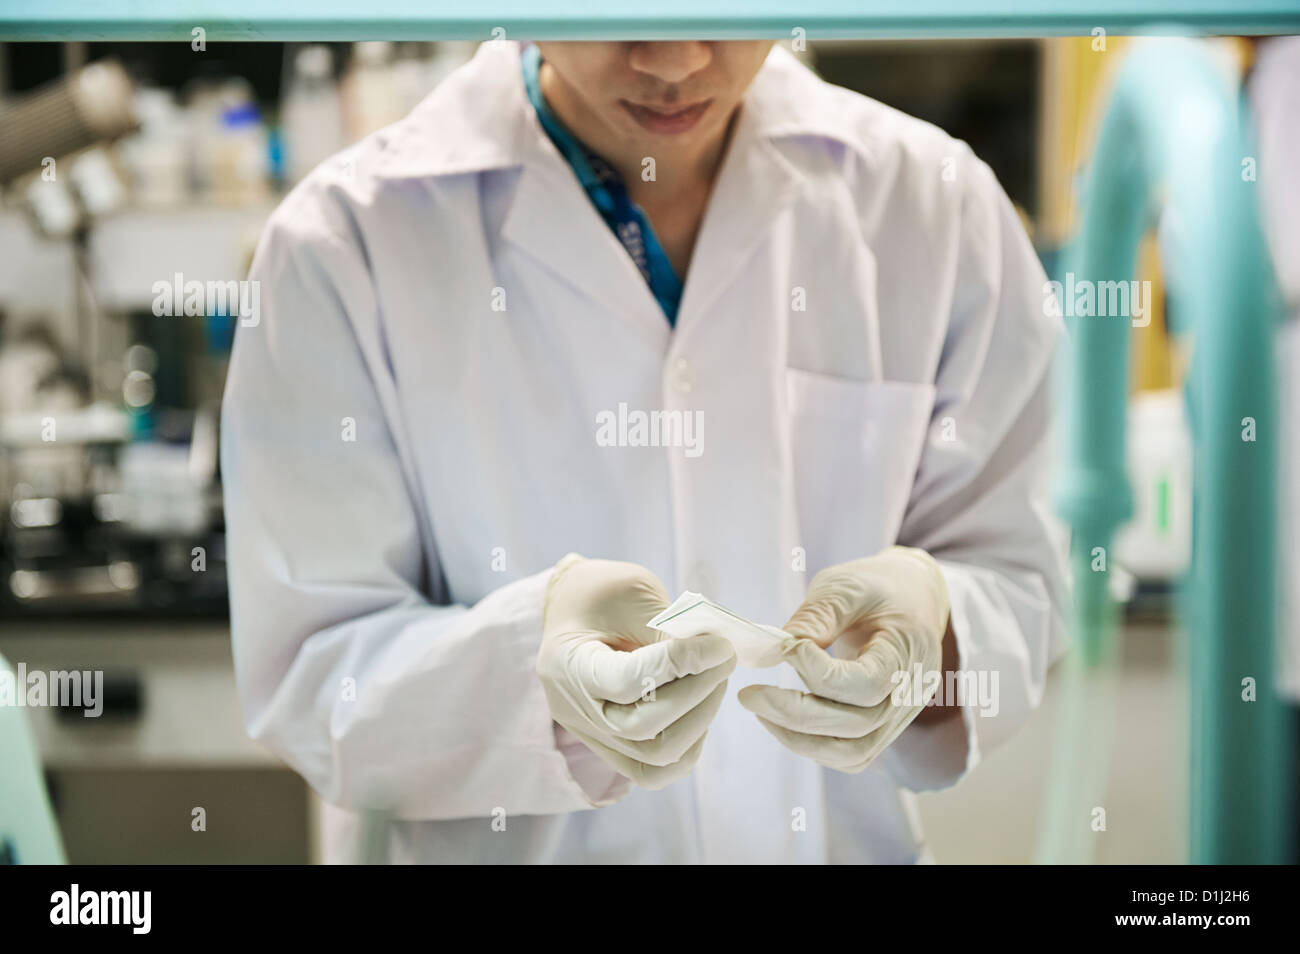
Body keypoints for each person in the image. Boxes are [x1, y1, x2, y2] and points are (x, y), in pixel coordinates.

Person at [221, 39, 1069, 863]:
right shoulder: (344, 244)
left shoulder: (934, 207)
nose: (674, 61)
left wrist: (938, 624)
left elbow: (1019, 576)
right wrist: (529, 670)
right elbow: (312, 675)